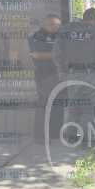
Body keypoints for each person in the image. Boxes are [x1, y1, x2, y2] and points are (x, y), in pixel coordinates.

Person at [53, 8, 95, 142]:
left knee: (72, 104)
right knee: (89, 107)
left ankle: (71, 136)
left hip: (71, 74)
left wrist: (62, 71)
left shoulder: (65, 30)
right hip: (91, 75)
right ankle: (86, 138)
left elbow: (56, 53)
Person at [28, 14, 63, 142]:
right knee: (44, 104)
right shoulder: (36, 37)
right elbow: (37, 55)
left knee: (58, 105)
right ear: (44, 24)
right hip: (44, 75)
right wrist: (58, 56)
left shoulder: (61, 36)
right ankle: (40, 137)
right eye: (52, 24)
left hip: (59, 75)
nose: (55, 27)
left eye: (58, 25)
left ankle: (55, 134)